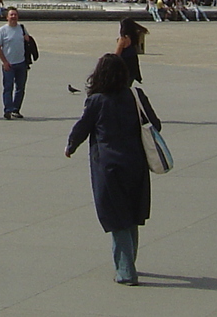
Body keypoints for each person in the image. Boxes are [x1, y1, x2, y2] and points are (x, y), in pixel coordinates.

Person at [65, 53, 152, 285]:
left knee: (117, 218)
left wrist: (70, 146)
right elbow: (156, 124)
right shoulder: (136, 96)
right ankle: (128, 261)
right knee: (132, 215)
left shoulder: (97, 100)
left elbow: (82, 127)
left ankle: (125, 271)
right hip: (136, 164)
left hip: (109, 166)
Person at [0, 8, 30, 120]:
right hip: (8, 64)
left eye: (15, 15)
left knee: (20, 88)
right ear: (7, 17)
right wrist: (4, 62)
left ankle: (16, 109)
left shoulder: (22, 28)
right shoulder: (2, 30)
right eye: (11, 15)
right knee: (8, 87)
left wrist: (27, 39)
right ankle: (8, 110)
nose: (13, 17)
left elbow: (27, 42)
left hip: (21, 63)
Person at [115, 18, 147, 83]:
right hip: (133, 65)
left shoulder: (123, 39)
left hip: (124, 65)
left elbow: (117, 54)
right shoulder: (134, 37)